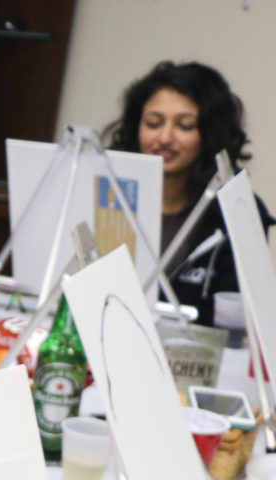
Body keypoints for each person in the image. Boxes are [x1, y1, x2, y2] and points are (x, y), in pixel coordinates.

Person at [105, 61, 274, 324]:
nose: (164, 137)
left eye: (184, 126)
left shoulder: (237, 210)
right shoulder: (109, 195)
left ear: (210, 134)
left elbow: (238, 319)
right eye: (153, 123)